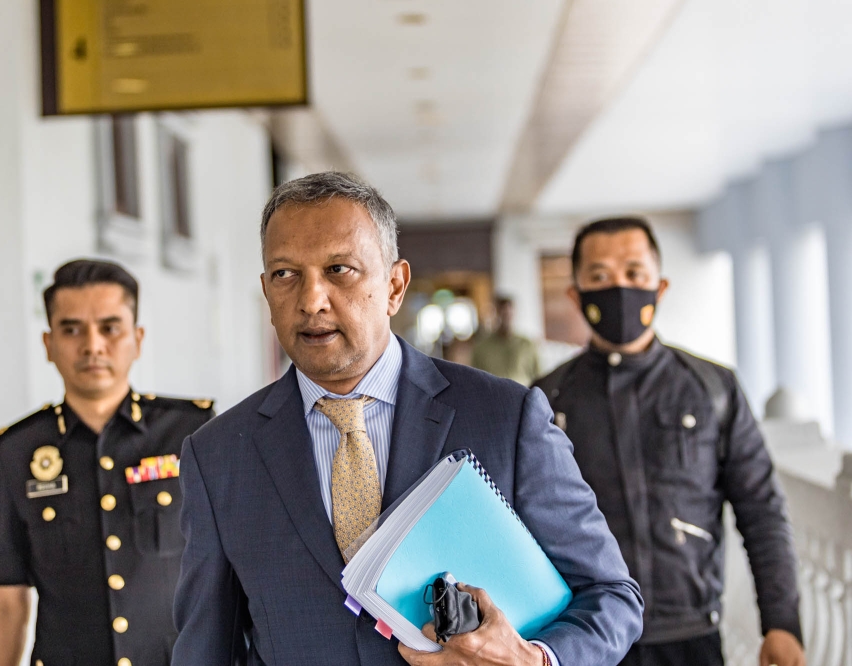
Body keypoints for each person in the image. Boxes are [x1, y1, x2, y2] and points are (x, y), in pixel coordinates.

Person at [170, 172, 643, 666]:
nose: (311, 300)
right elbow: (206, 646)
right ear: (266, 291)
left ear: (395, 285)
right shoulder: (219, 455)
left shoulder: (506, 418)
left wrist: (535, 660)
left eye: (339, 269)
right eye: (286, 274)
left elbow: (611, 596)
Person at [533, 217, 805, 666]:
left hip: (691, 635)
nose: (619, 286)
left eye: (634, 273)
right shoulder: (545, 400)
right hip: (586, 637)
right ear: (575, 295)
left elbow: (761, 509)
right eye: (599, 276)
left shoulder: (713, 389)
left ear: (659, 287)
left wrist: (782, 622)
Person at [0, 259, 215, 666]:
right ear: (48, 343)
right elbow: (7, 597)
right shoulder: (18, 451)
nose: (92, 345)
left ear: (137, 339)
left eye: (110, 328)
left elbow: (229, 572)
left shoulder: (192, 433)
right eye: (71, 330)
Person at [471, 296, 540, 385]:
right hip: (492, 396)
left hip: (522, 396)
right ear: (495, 314)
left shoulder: (527, 345)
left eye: (508, 314)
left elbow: (538, 378)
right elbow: (475, 379)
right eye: (502, 314)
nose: (505, 318)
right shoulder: (481, 347)